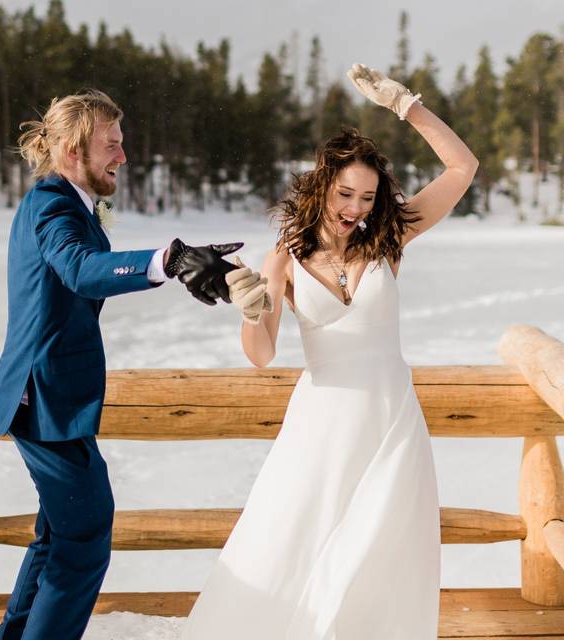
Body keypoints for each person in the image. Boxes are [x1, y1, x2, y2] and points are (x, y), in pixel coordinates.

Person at [182, 63, 478, 639]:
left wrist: (406, 106)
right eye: (346, 193)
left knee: (383, 560)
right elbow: (261, 352)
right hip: (320, 428)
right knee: (290, 544)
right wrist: (250, 309)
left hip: (390, 422)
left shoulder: (391, 238)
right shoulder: (284, 259)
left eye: (368, 196)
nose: (357, 207)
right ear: (321, 186)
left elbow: (462, 166)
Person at [0, 89, 242, 640]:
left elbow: (86, 264)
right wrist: (167, 261)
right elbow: (80, 268)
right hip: (44, 398)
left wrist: (173, 260)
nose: (123, 156)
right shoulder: (51, 204)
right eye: (113, 145)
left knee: (59, 538)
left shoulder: (68, 202)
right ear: (75, 149)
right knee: (84, 542)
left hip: (55, 400)